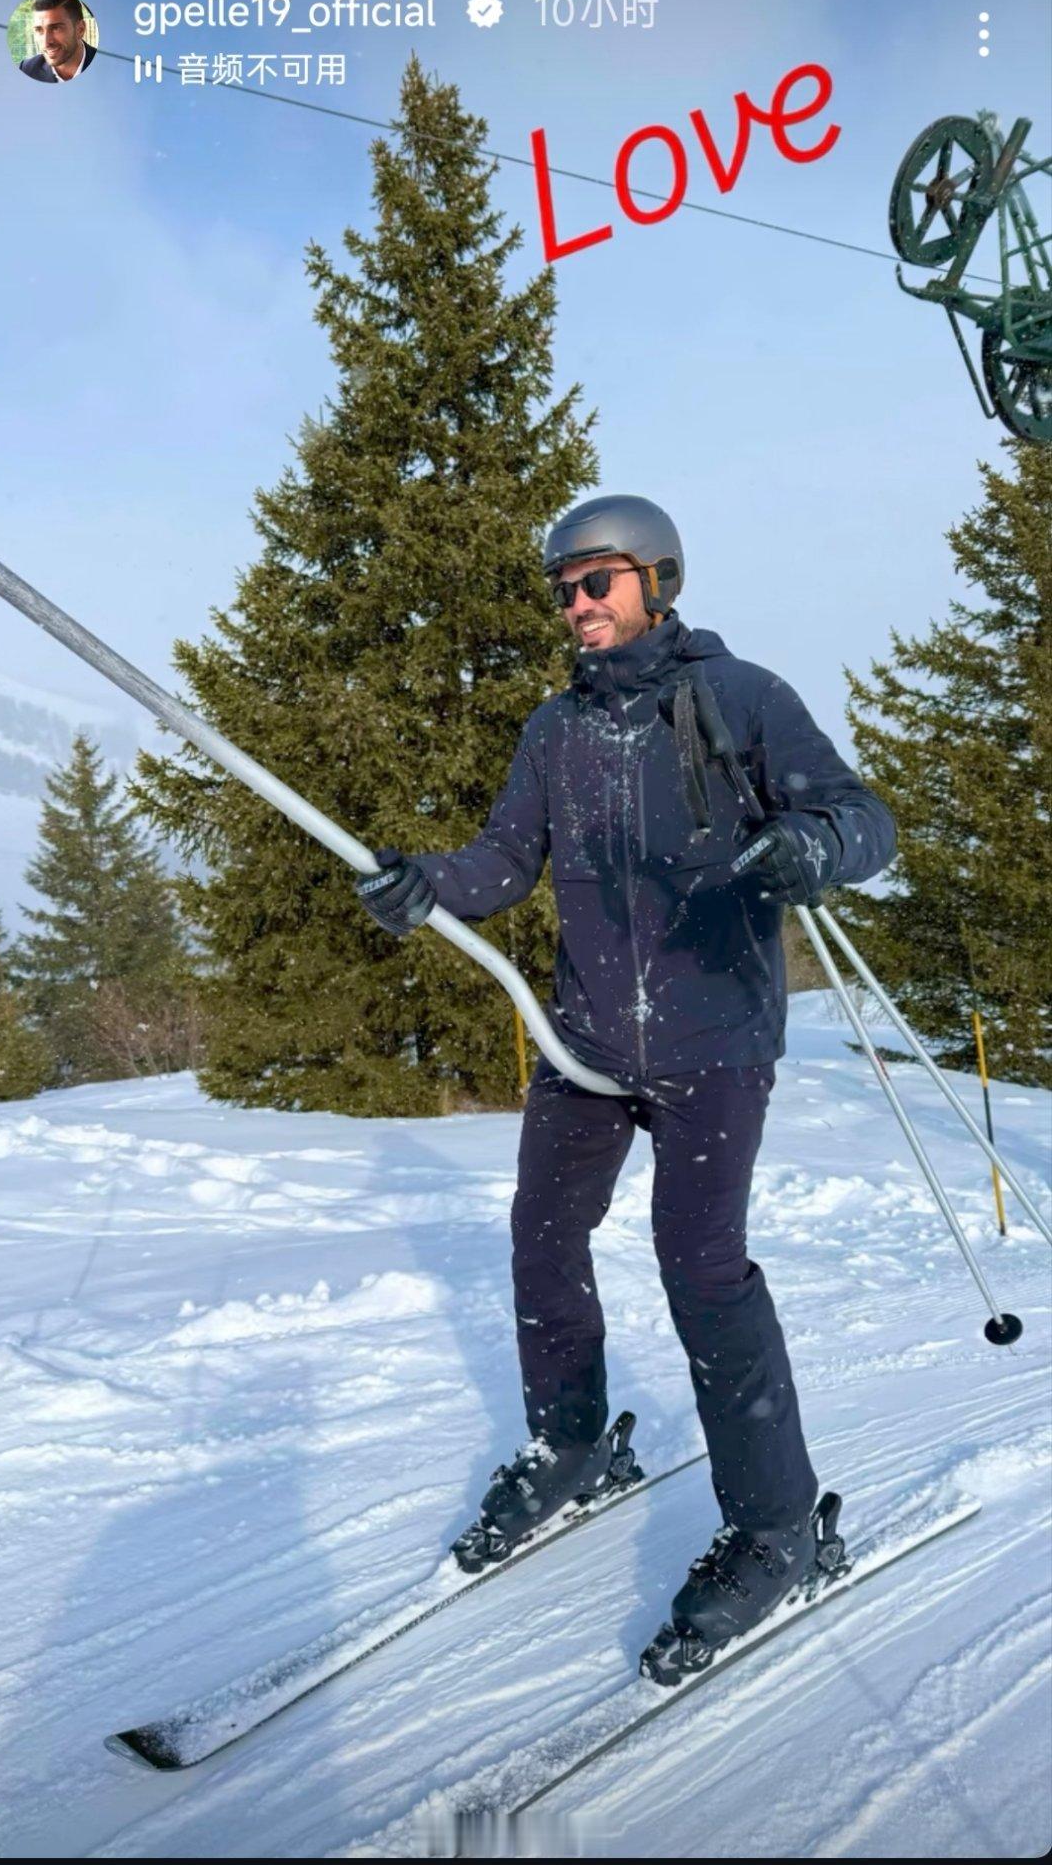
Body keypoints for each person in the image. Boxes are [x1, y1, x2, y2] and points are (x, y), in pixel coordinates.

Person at [354, 494, 896, 1666]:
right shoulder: (556, 730)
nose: (577, 605)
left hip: (714, 1044)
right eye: (562, 588)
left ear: (658, 578)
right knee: (542, 1236)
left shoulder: (741, 697)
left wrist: (816, 845)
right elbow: (504, 860)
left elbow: (864, 818)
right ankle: (572, 1442)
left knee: (701, 1269)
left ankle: (777, 1527)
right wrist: (425, 883)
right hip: (587, 1046)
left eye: (597, 581)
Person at [19, 0, 96, 83]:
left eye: (56, 28)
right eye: (39, 30)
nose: (45, 43)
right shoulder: (28, 69)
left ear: (80, 29)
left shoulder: (105, 64)